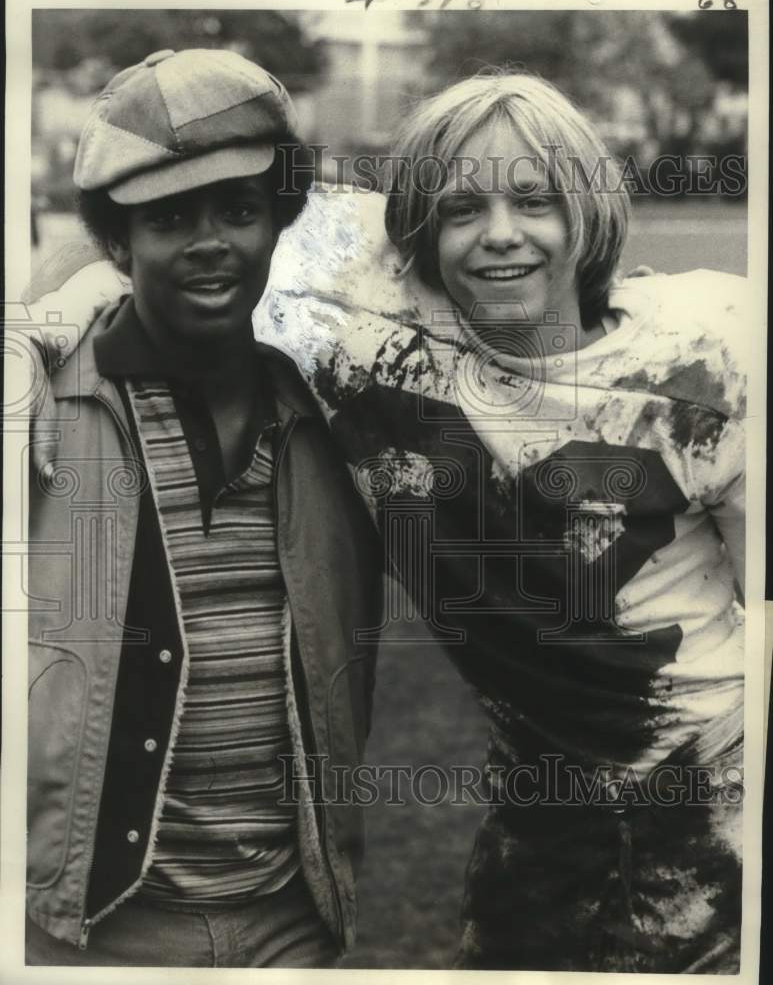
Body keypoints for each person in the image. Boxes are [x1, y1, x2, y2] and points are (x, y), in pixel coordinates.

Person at [24, 70, 747, 973]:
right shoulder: (358, 316)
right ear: (413, 230)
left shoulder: (712, 352)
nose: (500, 235)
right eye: (459, 210)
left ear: (590, 208)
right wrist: (32, 329)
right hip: (536, 831)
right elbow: (113, 241)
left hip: (721, 812)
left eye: (536, 200)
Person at [25, 48, 382, 968]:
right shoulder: (39, 412)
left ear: (277, 223)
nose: (210, 241)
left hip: (290, 923)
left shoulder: (335, 412)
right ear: (117, 242)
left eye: (238, 210)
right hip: (92, 932)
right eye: (169, 218)